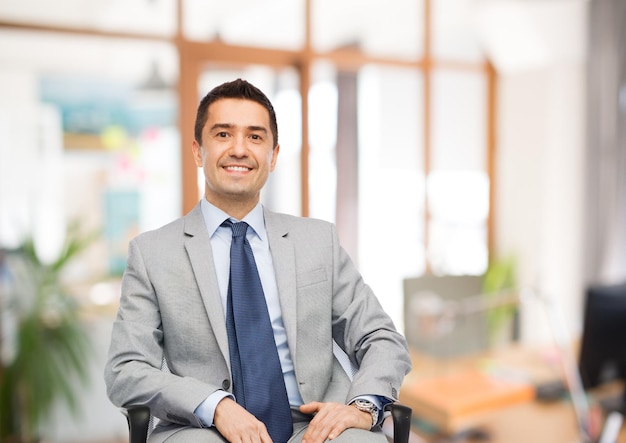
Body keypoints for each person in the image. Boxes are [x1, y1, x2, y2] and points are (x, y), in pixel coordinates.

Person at [104, 79, 411, 443]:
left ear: (273, 155)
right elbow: (126, 369)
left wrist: (361, 407)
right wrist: (215, 405)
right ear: (198, 151)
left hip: (312, 426)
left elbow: (381, 337)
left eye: (255, 137)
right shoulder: (152, 253)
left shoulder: (318, 241)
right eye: (222, 134)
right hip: (205, 427)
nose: (239, 149)